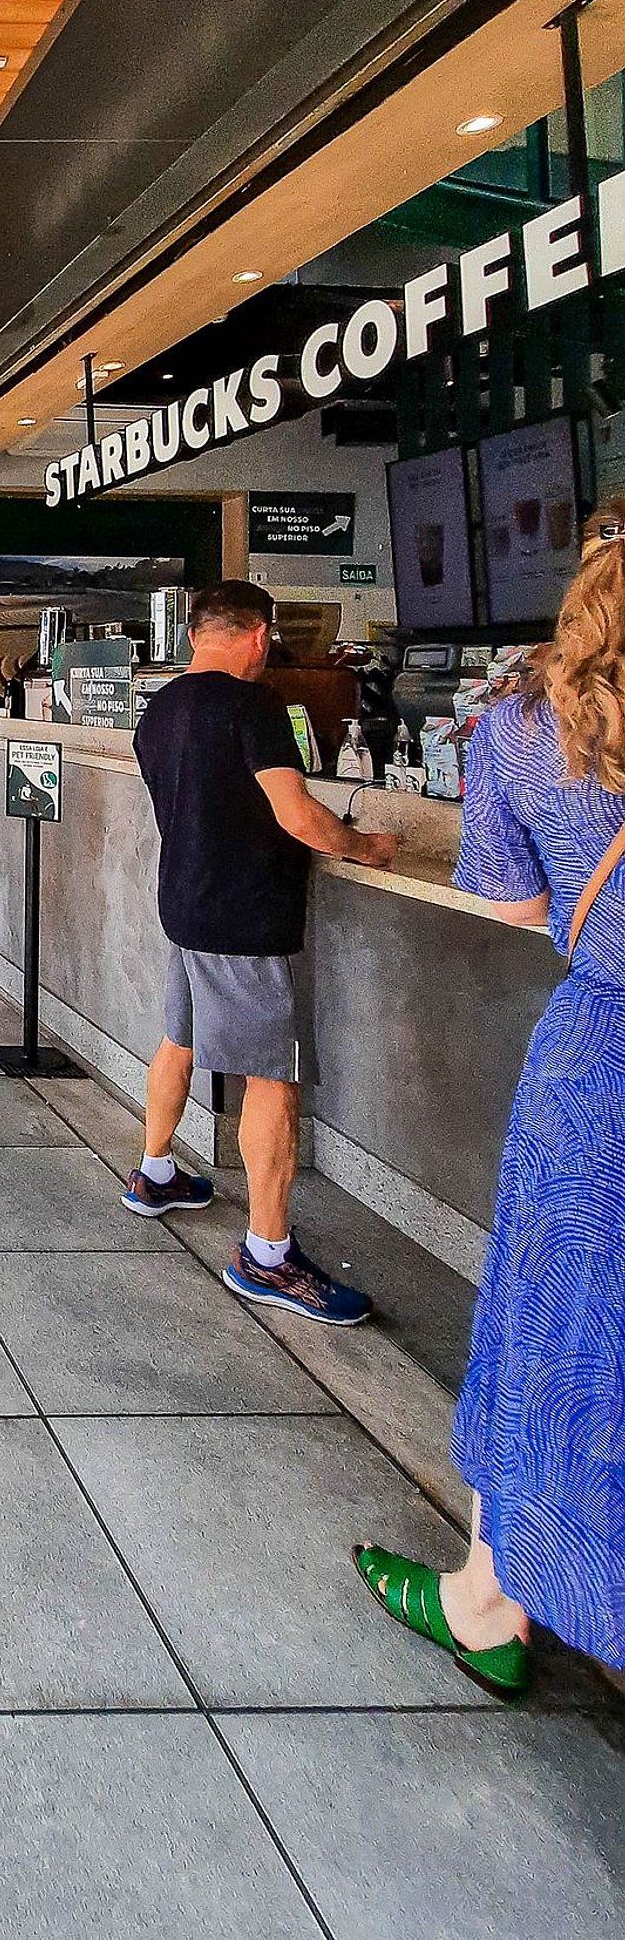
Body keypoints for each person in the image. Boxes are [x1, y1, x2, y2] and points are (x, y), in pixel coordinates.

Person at [355, 507, 625, 1699]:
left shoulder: (517, 724)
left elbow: (509, 900)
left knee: (555, 1334)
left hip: (600, 1066)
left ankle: (489, 1598)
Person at [130, 580, 397, 1322]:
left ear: (195, 635)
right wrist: (365, 846)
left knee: (179, 1038)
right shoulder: (254, 706)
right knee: (272, 1078)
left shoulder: (158, 710)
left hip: (185, 904)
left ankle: (155, 1173)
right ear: (258, 635)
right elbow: (298, 815)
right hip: (243, 917)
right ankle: (267, 1256)